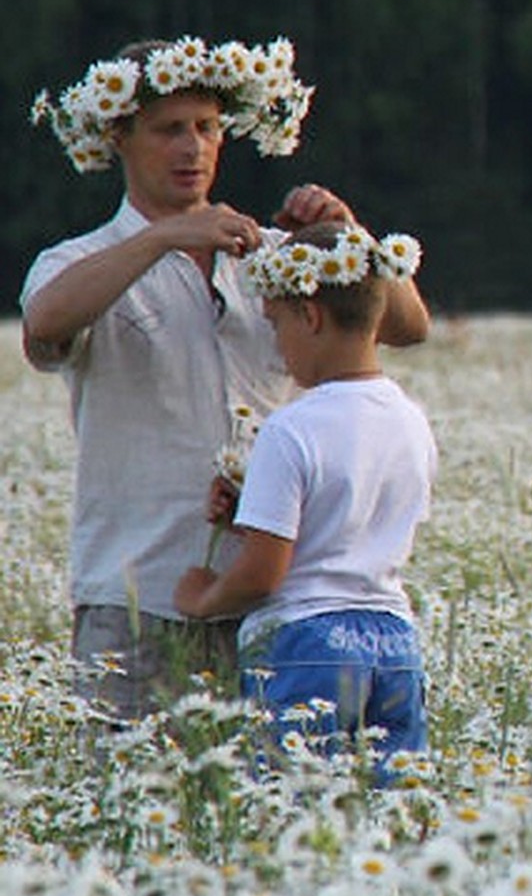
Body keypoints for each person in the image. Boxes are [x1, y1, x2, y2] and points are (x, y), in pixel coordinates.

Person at [20, 36, 430, 717]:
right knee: (132, 814)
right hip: (136, 599)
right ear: (119, 135)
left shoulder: (268, 255)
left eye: (207, 128)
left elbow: (407, 326)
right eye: (169, 130)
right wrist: (163, 240)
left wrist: (349, 235)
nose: (192, 149)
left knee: (263, 813)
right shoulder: (79, 260)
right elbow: (44, 323)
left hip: (271, 601)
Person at [173, 221, 435, 782]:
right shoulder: (412, 422)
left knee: (297, 804)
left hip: (307, 642)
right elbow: (349, 528)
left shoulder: (289, 430)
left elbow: (265, 577)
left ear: (310, 316)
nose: (278, 345)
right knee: (390, 801)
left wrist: (203, 598)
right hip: (394, 639)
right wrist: (252, 519)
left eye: (276, 324)